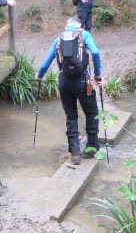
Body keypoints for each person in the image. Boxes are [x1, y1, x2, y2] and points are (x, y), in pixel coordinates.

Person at [36, 17, 104, 165]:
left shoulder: (59, 38)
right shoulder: (84, 34)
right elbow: (96, 53)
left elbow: (47, 62)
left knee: (71, 115)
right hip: (82, 81)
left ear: (66, 27)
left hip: (64, 81)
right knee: (91, 113)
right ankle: (91, 148)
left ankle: (74, 153)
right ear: (80, 26)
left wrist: (40, 75)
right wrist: (98, 75)